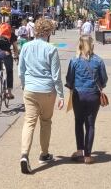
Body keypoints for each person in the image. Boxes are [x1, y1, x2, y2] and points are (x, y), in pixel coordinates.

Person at [18, 18, 64, 174]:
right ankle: (44, 154)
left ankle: (24, 154)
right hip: (46, 90)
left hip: (30, 88)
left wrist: (24, 85)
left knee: (29, 122)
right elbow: (56, 75)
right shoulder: (51, 49)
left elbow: (21, 70)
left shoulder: (26, 47)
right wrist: (61, 95)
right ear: (48, 32)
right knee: (45, 121)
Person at [66, 36, 108, 164]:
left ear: (80, 45)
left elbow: (69, 79)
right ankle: (88, 155)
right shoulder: (98, 61)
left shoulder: (74, 60)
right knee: (90, 124)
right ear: (92, 44)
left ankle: (79, 151)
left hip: (78, 94)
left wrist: (72, 86)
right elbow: (104, 79)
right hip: (93, 95)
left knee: (78, 122)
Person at [0, 19, 18, 100]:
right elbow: (15, 48)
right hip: (6, 54)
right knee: (9, 71)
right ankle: (9, 93)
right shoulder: (12, 34)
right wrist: (16, 56)